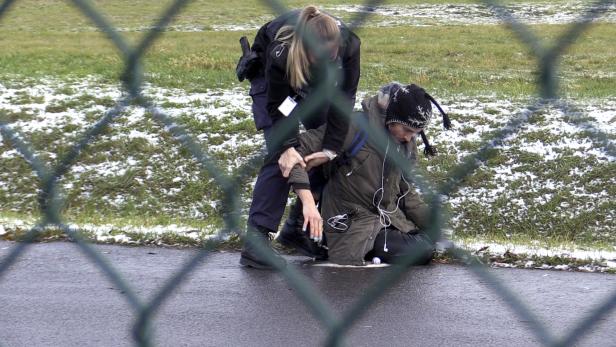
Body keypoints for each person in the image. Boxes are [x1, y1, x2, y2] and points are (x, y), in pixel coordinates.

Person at [238, 6, 361, 269]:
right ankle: (256, 242)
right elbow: (279, 107)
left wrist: (330, 148)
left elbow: (344, 100)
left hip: (315, 86)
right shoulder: (281, 52)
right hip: (274, 86)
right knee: (281, 154)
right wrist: (287, 146)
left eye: (332, 55)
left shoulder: (350, 45)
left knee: (326, 146)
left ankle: (298, 228)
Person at [286, 82, 451, 265]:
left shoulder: (405, 145)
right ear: (392, 118)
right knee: (420, 251)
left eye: (416, 133)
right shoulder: (352, 126)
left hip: (384, 218)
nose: (409, 138)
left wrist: (436, 230)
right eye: (407, 130)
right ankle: (323, 241)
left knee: (426, 243)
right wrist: (307, 200)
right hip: (348, 221)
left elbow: (406, 193)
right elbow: (293, 153)